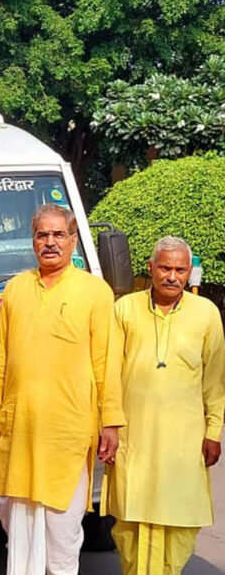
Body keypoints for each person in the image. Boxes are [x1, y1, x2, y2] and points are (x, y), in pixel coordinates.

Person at [0, 204, 125, 575]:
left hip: (68, 429)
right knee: (14, 518)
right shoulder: (16, 289)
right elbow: (2, 353)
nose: (50, 242)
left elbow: (106, 360)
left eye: (58, 234)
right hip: (19, 427)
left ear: (73, 240)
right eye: (42, 235)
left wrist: (110, 421)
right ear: (33, 241)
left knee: (62, 528)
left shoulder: (95, 292)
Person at [105, 237, 225, 575]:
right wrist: (108, 424)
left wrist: (213, 431)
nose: (172, 276)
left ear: (189, 273)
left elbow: (215, 380)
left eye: (180, 270)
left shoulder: (206, 313)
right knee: (130, 519)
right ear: (150, 268)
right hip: (134, 436)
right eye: (165, 268)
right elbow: (110, 372)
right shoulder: (125, 309)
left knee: (181, 519)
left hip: (184, 441)